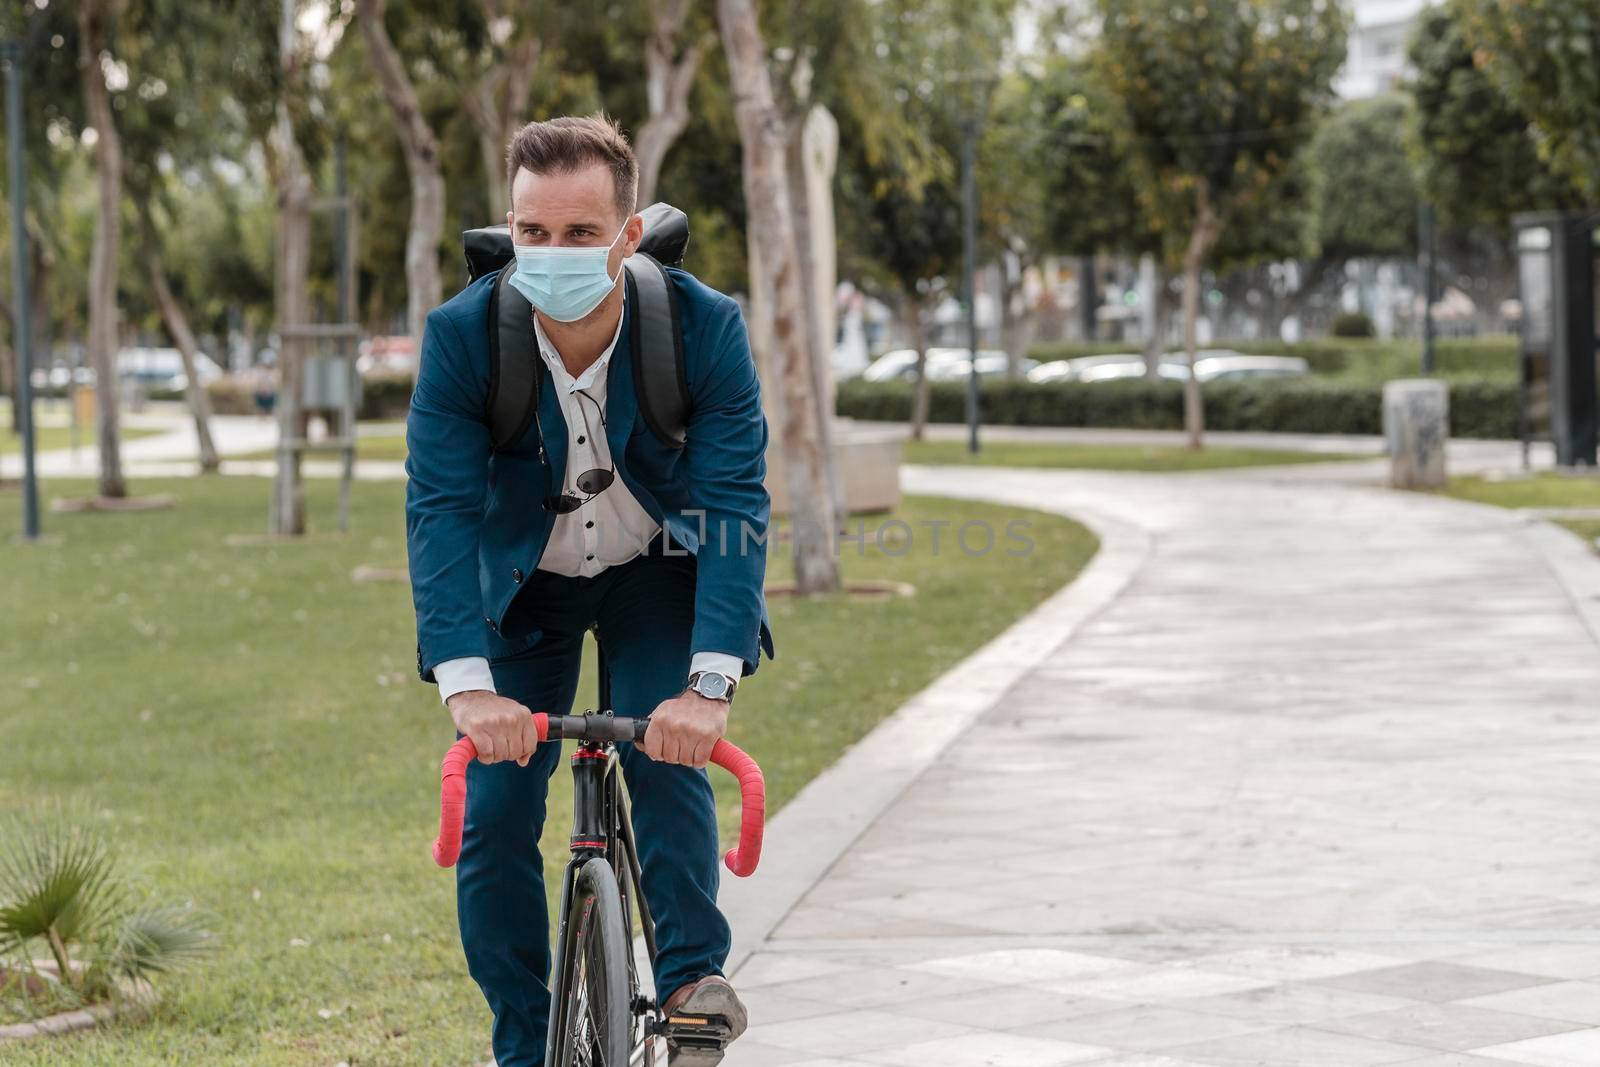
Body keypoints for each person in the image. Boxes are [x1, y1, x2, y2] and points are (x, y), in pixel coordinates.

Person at [404, 113, 772, 1066]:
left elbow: (734, 505)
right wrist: (466, 683)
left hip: (657, 568)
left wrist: (711, 685)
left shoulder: (702, 326)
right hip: (526, 587)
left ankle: (693, 983)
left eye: (578, 233)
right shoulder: (460, 339)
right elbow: (440, 511)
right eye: (533, 232)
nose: (552, 252)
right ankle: (524, 1044)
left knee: (667, 748)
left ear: (627, 235)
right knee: (493, 818)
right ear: (510, 228)